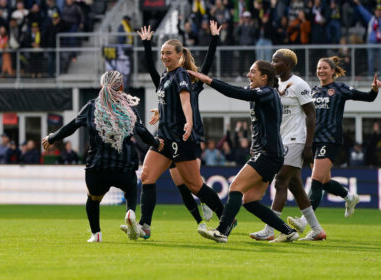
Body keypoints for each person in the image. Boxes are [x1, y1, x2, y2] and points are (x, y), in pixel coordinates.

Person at [42, 71, 164, 243]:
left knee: (93, 198)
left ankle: (96, 234)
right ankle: (130, 212)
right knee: (130, 190)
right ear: (121, 87)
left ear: (101, 86)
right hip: (125, 165)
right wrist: (157, 142)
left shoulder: (92, 107)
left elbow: (72, 126)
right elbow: (142, 133)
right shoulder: (129, 109)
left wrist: (52, 138)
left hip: (98, 166)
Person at [126, 32, 227, 240]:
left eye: (168, 53)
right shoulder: (165, 77)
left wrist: (189, 122)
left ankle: (225, 216)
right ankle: (145, 226)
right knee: (147, 176)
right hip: (163, 138)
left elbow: (185, 102)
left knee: (194, 185)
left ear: (180, 55)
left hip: (182, 139)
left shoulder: (182, 75)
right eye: (162, 53)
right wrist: (146, 44)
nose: (164, 56)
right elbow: (165, 93)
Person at [189, 61, 299, 243]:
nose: (249, 75)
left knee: (235, 188)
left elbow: (237, 93)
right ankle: (288, 232)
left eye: (252, 72)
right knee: (250, 201)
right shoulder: (262, 93)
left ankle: (222, 231)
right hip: (269, 154)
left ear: (264, 77)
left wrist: (208, 80)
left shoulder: (266, 93)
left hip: (268, 154)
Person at [288, 57, 380, 232]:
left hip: (330, 140)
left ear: (332, 71)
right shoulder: (313, 91)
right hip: (314, 141)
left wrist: (374, 90)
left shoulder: (340, 89)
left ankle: (303, 221)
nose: (321, 71)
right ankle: (349, 196)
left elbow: (367, 98)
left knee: (315, 182)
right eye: (318, 68)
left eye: (324, 68)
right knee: (325, 181)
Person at [250, 49, 326, 242]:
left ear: (288, 65)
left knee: (280, 181)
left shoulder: (300, 85)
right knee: (295, 186)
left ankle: (270, 228)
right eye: (272, 60)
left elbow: (311, 115)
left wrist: (309, 145)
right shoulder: (274, 85)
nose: (273, 63)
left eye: (276, 61)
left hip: (296, 140)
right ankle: (316, 230)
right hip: (280, 140)